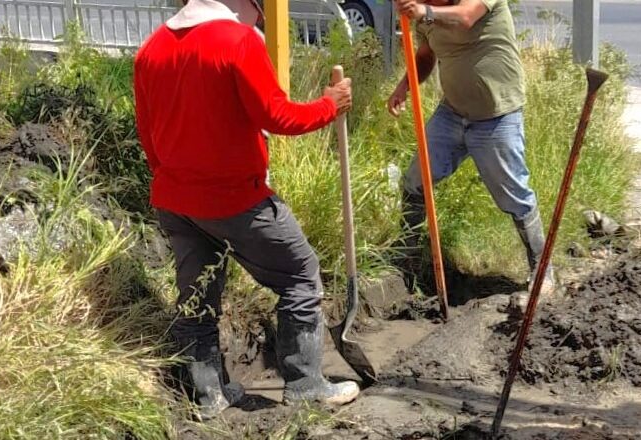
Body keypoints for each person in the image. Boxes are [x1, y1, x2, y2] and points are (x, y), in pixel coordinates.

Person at [134, 0, 359, 418]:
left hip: (177, 202)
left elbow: (149, 137)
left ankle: (210, 396)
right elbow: (277, 116)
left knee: (197, 297)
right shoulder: (237, 41)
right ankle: (306, 385)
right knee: (300, 274)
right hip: (237, 200)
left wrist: (182, 183)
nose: (261, 18)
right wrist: (330, 104)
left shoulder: (152, 49)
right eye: (260, 9)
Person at [389, 0, 555, 295]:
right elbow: (427, 56)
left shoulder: (450, 7)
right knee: (415, 180)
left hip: (496, 116)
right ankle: (409, 259)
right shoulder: (423, 12)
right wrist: (405, 85)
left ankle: (543, 271)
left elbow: (466, 17)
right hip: (452, 113)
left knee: (515, 195)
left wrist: (426, 12)